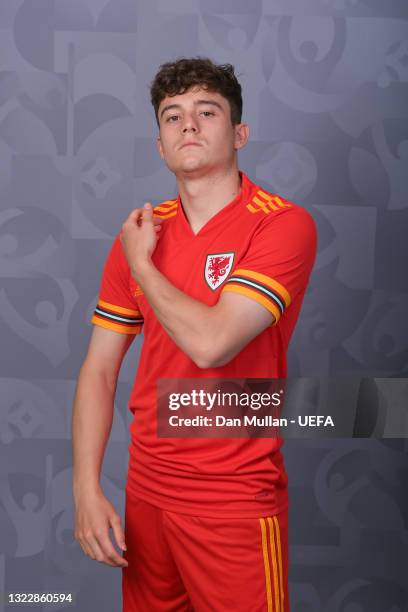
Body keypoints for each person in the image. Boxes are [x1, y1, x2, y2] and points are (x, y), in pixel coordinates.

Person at [72, 57, 317, 612]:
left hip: (233, 496)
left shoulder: (281, 224)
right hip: (148, 495)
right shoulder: (141, 234)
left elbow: (213, 342)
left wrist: (144, 269)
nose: (189, 125)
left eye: (207, 112)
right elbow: (99, 369)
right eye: (172, 116)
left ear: (239, 133)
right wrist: (87, 489)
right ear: (159, 144)